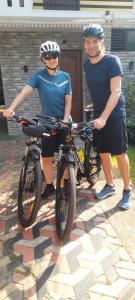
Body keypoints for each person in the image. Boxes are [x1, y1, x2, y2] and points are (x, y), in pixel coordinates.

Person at [3, 40, 72, 199]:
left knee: (65, 155)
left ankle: (67, 185)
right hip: (46, 122)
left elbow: (68, 101)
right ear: (43, 59)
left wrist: (65, 119)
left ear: (58, 56)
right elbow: (24, 93)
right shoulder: (38, 76)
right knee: (47, 157)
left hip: (63, 121)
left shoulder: (66, 77)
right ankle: (49, 186)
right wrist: (11, 108)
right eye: (47, 57)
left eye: (54, 56)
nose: (51, 59)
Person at [82, 24, 132, 210]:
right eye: (88, 41)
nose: (91, 45)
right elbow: (100, 90)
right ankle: (110, 185)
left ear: (101, 42)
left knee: (119, 153)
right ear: (85, 44)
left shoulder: (112, 61)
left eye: (95, 41)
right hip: (100, 114)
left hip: (114, 115)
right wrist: (96, 106)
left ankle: (127, 190)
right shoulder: (87, 65)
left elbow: (116, 91)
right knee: (102, 151)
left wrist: (103, 117)